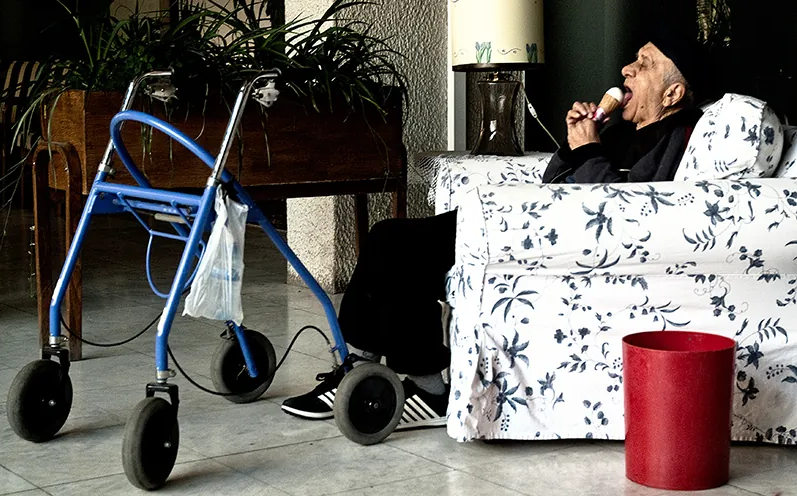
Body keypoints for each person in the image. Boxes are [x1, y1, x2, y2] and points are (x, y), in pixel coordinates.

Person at [280, 31, 704, 429]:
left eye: (644, 65)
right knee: (386, 235)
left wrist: (590, 148)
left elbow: (623, 213)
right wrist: (575, 142)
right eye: (632, 61)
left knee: (398, 246)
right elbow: (555, 179)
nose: (627, 69)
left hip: (553, 239)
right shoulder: (620, 130)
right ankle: (359, 368)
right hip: (533, 216)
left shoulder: (674, 135)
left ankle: (428, 389)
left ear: (673, 92)